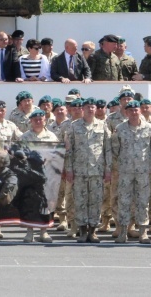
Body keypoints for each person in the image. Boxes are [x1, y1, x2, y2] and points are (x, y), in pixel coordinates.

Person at [66, 98, 111, 243]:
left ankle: (93, 231)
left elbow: (107, 149)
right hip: (79, 171)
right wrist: (69, 170)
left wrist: (108, 169)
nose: (91, 109)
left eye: (93, 107)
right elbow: (69, 150)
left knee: (96, 201)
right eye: (88, 107)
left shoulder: (103, 126)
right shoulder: (74, 126)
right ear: (82, 109)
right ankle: (82, 231)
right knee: (80, 201)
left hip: (97, 171)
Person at [111, 100, 151, 244]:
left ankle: (143, 233)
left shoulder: (149, 128)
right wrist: (117, 167)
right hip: (125, 172)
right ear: (126, 112)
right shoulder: (120, 129)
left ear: (140, 111)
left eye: (136, 110)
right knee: (124, 201)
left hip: (143, 171)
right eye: (131, 111)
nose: (134, 113)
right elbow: (115, 150)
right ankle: (123, 232)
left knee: (143, 202)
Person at [19, 109, 58, 243]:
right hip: (30, 176)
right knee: (30, 202)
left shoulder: (52, 137)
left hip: (47, 175)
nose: (38, 121)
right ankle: (30, 232)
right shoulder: (24, 137)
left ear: (45, 120)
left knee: (45, 203)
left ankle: (44, 231)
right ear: (30, 121)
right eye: (35, 119)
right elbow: (20, 155)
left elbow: (57, 154)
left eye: (40, 119)